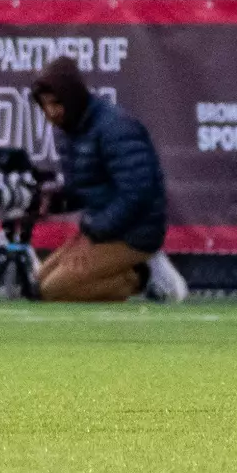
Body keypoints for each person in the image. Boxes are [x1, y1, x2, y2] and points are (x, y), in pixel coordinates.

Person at [30, 56, 187, 303]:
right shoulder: (68, 130)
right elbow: (84, 188)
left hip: (135, 231)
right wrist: (54, 199)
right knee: (37, 285)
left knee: (53, 291)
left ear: (72, 97)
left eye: (57, 103)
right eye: (45, 105)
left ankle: (143, 276)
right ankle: (126, 271)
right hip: (101, 227)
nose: (51, 112)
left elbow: (138, 193)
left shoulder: (115, 127)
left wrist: (94, 232)